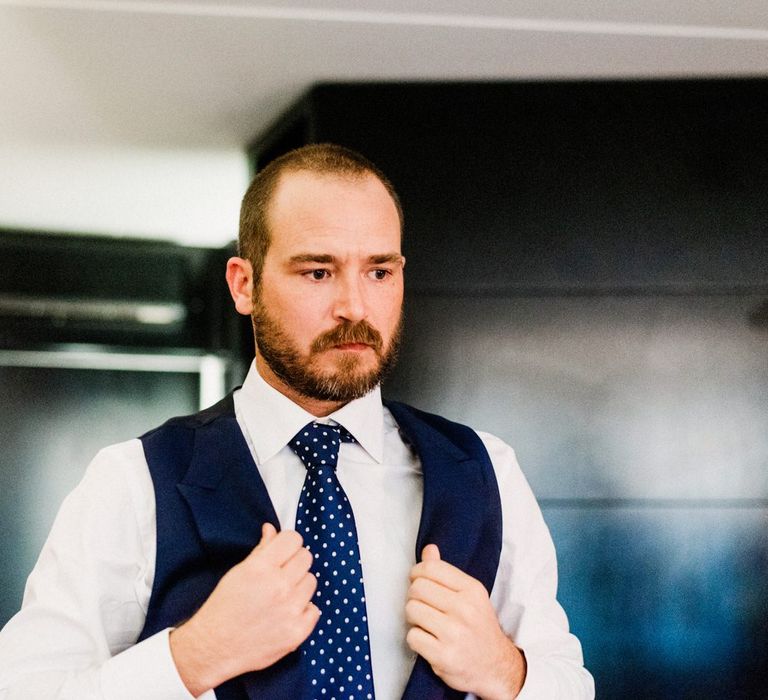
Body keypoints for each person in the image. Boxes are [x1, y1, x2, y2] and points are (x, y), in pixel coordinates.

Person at [0, 143, 594, 699]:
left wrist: (505, 670)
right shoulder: (132, 483)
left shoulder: (486, 469)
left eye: (379, 272)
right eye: (318, 271)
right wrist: (191, 658)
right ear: (244, 285)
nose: (355, 307)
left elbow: (570, 680)